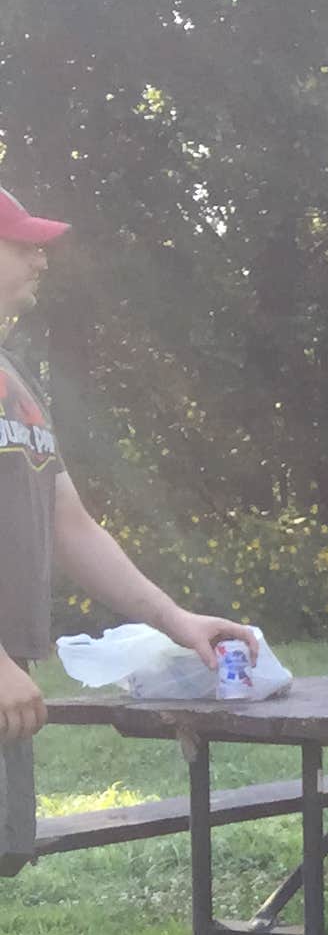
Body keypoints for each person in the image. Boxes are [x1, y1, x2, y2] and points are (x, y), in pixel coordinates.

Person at [2, 184, 263, 862]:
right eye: (24, 244)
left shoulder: (15, 380)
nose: (42, 259)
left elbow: (72, 524)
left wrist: (176, 620)